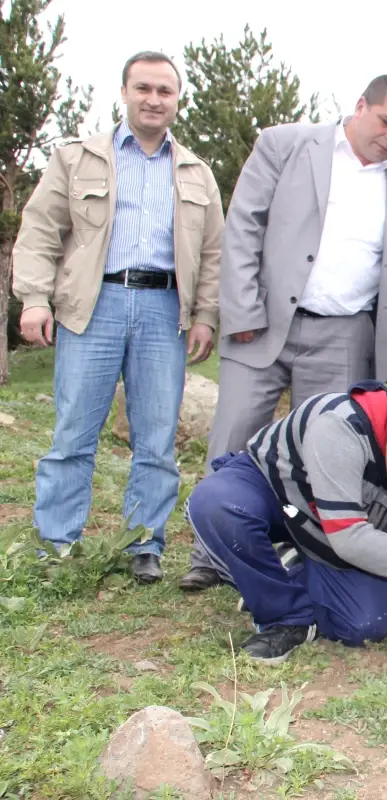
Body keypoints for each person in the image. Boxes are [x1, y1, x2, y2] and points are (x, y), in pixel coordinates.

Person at [180, 75, 387, 592]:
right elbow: (245, 224)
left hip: (344, 335)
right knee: (232, 438)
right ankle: (210, 552)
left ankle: (305, 555)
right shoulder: (284, 144)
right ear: (359, 105)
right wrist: (243, 312)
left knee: (321, 458)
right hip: (264, 324)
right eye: (386, 122)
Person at [11, 51, 223, 583]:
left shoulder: (197, 173)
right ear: (125, 93)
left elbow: (215, 254)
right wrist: (35, 297)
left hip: (163, 310)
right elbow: (39, 231)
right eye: (144, 88)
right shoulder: (76, 160)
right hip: (93, 307)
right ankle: (58, 541)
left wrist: (204, 316)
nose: (154, 99)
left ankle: (143, 543)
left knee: (156, 438)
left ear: (178, 99)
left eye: (165, 91)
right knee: (73, 433)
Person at [183, 383, 387, 667]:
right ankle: (286, 616)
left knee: (365, 624)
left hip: (328, 534)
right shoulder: (340, 427)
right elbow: (352, 539)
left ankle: (291, 568)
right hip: (271, 495)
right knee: (218, 504)